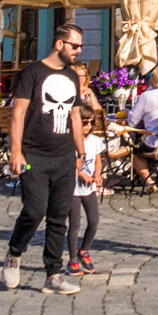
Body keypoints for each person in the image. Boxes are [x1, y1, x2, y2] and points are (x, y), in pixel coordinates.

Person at [3, 21, 88, 295]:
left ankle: (54, 273)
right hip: (34, 154)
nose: (78, 51)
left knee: (58, 217)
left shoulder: (73, 77)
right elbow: (18, 114)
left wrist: (81, 152)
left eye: (80, 47)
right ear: (59, 43)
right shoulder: (32, 73)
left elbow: (74, 115)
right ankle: (15, 251)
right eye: (74, 46)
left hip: (64, 155)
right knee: (34, 211)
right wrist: (16, 152)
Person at [67, 110, 108, 276]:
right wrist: (82, 174)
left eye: (91, 123)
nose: (88, 126)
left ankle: (84, 250)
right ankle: (72, 259)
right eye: (85, 123)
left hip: (89, 186)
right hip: (73, 187)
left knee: (94, 221)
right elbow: (70, 163)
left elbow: (98, 160)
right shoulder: (70, 141)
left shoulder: (95, 141)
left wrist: (97, 174)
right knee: (74, 225)